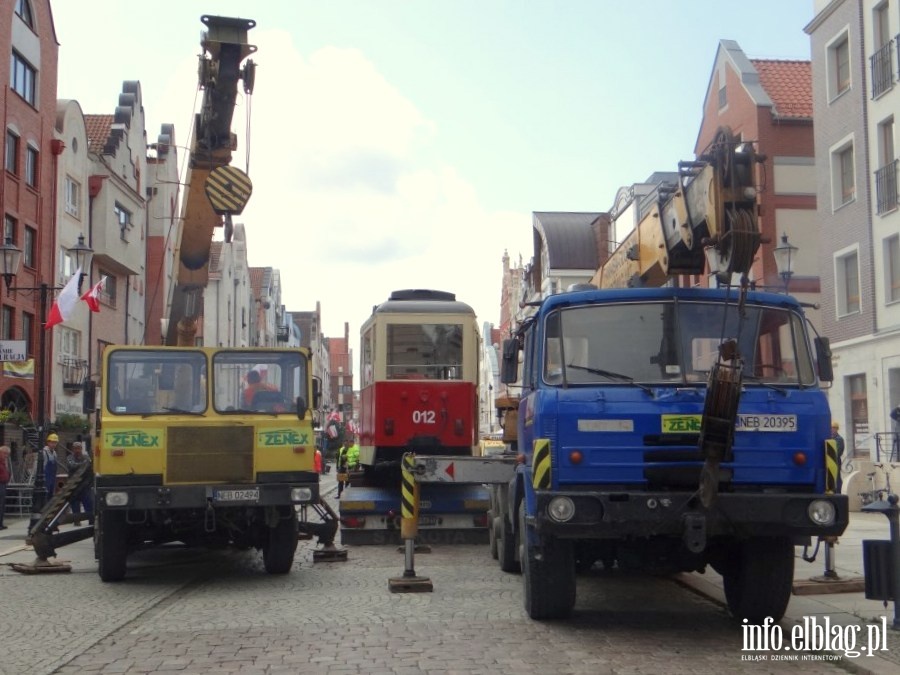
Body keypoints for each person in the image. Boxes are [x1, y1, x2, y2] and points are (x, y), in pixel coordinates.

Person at [66, 441, 93, 525]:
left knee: (88, 503)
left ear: (81, 449)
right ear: (72, 449)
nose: (77, 450)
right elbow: (71, 466)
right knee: (75, 504)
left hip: (85, 486)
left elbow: (89, 467)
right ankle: (76, 521)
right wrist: (83, 464)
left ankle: (91, 520)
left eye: (79, 448)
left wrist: (83, 465)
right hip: (74, 486)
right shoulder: (70, 457)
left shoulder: (86, 457)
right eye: (75, 448)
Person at [42, 433, 59, 498]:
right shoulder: (44, 452)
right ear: (48, 442)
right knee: (45, 495)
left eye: (55, 443)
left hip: (52, 477)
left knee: (51, 495)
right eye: (52, 442)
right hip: (45, 478)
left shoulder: (54, 453)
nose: (54, 444)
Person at [831, 422, 845, 493]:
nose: (832, 430)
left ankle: (839, 491)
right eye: (831, 428)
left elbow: (838, 451)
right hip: (830, 461)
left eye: (833, 428)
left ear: (836, 429)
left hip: (836, 461)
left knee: (837, 478)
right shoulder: (830, 438)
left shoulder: (839, 439)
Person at [0, 445, 10, 530]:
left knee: (2, 504)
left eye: (7, 454)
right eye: (4, 453)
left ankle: (1, 523)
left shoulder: (4, 462)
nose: (6, 456)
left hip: (3, 484)